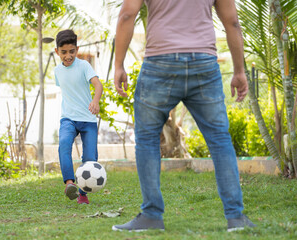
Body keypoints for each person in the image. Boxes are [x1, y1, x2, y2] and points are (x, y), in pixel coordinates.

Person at [112, 0, 256, 232]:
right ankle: (236, 217)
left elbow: (127, 15)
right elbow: (232, 22)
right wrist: (239, 71)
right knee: (219, 140)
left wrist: (119, 65)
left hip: (160, 63)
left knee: (147, 139)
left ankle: (151, 215)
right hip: (203, 63)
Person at [54, 29, 103, 205]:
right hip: (67, 118)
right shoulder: (57, 71)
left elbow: (98, 85)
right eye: (64, 52)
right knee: (64, 145)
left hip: (88, 119)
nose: (68, 56)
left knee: (90, 158)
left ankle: (83, 193)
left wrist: (95, 102)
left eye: (72, 51)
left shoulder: (84, 66)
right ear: (57, 51)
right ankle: (69, 183)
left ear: (77, 49)